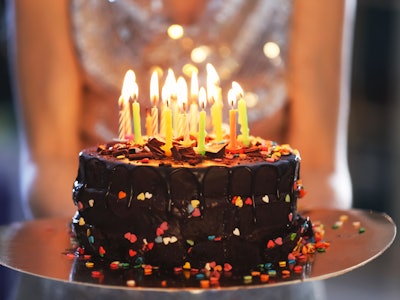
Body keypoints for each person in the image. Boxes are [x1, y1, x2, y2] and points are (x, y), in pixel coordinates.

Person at [7, 0, 355, 299]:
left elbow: (322, 168)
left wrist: (251, 248)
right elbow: (48, 160)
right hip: (97, 279)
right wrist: (120, 246)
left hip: (263, 280)